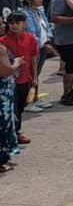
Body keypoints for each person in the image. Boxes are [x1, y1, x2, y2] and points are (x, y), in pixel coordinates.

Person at [3, 12, 38, 144]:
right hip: (8, 82)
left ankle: (16, 131)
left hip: (25, 79)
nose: (14, 26)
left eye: (17, 23)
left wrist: (35, 77)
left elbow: (34, 58)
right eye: (11, 23)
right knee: (11, 109)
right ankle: (14, 133)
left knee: (20, 107)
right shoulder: (3, 41)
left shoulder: (30, 39)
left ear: (24, 23)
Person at [18, 0, 53, 113]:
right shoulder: (25, 14)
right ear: (29, 0)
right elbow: (31, 34)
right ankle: (28, 102)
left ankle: (35, 98)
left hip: (43, 47)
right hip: (34, 49)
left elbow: (47, 26)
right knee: (31, 75)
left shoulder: (40, 11)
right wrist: (43, 45)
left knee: (36, 74)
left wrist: (48, 40)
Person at [0, 40, 17, 173]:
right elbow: (6, 70)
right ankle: (2, 161)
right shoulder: (1, 49)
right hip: (2, 92)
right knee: (3, 125)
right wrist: (16, 62)